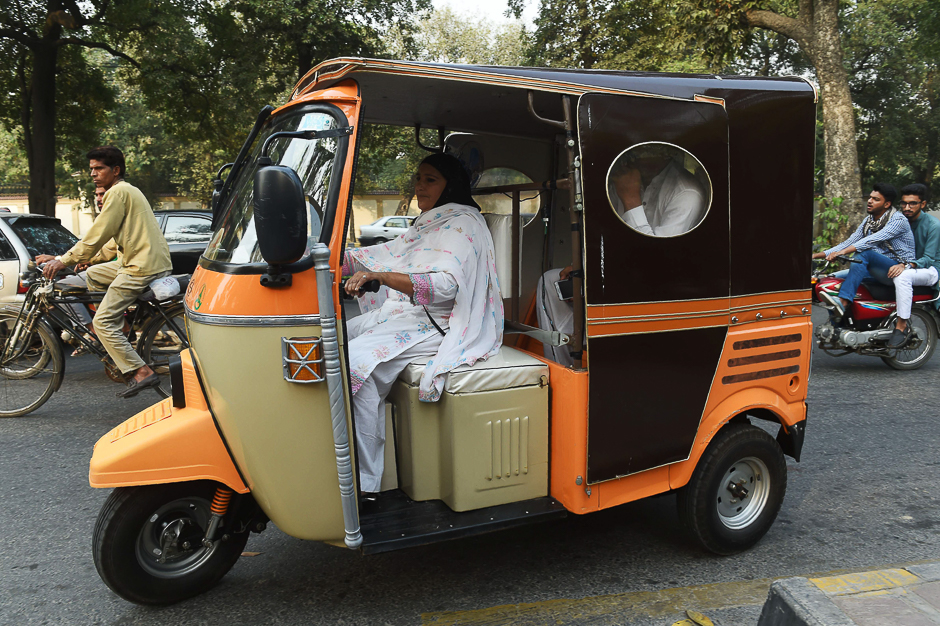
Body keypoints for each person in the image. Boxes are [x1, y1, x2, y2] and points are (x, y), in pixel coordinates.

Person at [342, 153, 503, 493]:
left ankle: (365, 481)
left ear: (451, 186)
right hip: (413, 313)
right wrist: (337, 260)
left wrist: (382, 276)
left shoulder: (463, 224)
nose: (420, 186)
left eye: (431, 179)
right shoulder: (429, 222)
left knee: (353, 364)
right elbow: (392, 252)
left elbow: (448, 287)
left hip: (445, 321)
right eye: (418, 178)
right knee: (339, 337)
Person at [37, 146, 171, 397]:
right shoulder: (127, 191)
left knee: (102, 321)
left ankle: (140, 371)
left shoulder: (118, 192)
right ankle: (117, 330)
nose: (94, 174)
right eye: (91, 169)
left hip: (139, 267)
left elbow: (99, 233)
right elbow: (109, 243)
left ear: (116, 170)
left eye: (99, 168)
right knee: (94, 276)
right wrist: (77, 259)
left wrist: (64, 260)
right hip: (141, 261)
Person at [812, 183, 914, 318]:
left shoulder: (898, 220)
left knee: (864, 252)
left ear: (887, 204)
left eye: (876, 199)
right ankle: (838, 326)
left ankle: (844, 301)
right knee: (831, 280)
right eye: (870, 197)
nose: (870, 201)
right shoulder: (869, 221)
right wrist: (814, 255)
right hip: (874, 268)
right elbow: (850, 241)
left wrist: (842, 253)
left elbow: (871, 240)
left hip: (896, 268)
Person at [609, 145, 708, 237]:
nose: (633, 160)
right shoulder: (625, 177)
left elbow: (657, 252)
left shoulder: (686, 193)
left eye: (644, 152)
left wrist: (631, 201)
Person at [884, 184, 940, 347]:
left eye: (912, 203)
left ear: (923, 204)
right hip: (904, 265)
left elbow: (928, 258)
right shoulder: (898, 221)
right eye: (904, 203)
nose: (907, 208)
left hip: (930, 270)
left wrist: (906, 265)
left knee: (902, 276)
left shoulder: (933, 225)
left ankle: (901, 327)